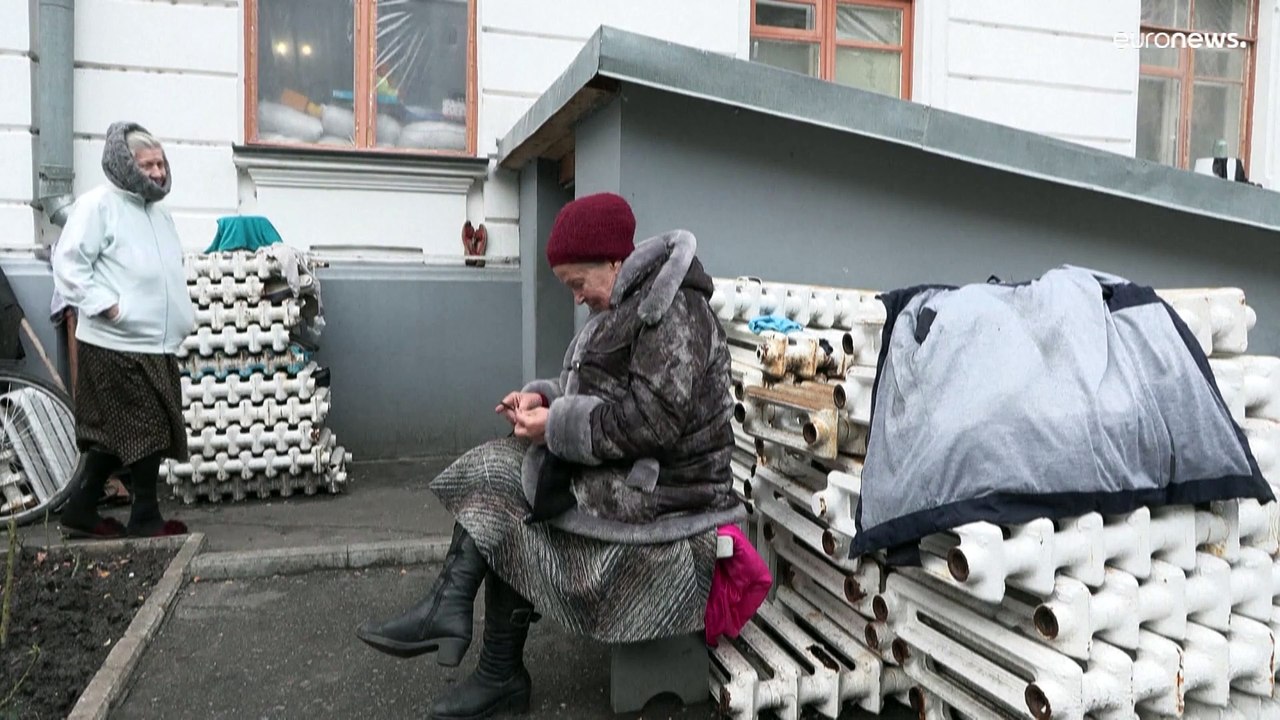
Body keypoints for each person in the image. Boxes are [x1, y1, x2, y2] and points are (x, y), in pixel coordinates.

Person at [356, 192, 745, 719]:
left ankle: (485, 655)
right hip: (640, 478)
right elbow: (600, 393)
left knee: (511, 491)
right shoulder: (629, 302)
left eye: (577, 285)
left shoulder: (674, 309)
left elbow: (652, 423)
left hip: (672, 495)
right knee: (509, 472)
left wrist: (554, 426)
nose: (579, 299)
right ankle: (462, 626)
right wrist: (544, 399)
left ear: (613, 262)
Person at [52, 121, 195, 539]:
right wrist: (108, 306)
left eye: (161, 163)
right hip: (116, 342)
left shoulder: (160, 214)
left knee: (114, 435)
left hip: (155, 343)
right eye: (147, 164)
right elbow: (69, 263)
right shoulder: (99, 205)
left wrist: (182, 317)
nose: (157, 172)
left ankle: (79, 509)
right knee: (145, 426)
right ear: (124, 164)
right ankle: (146, 516)